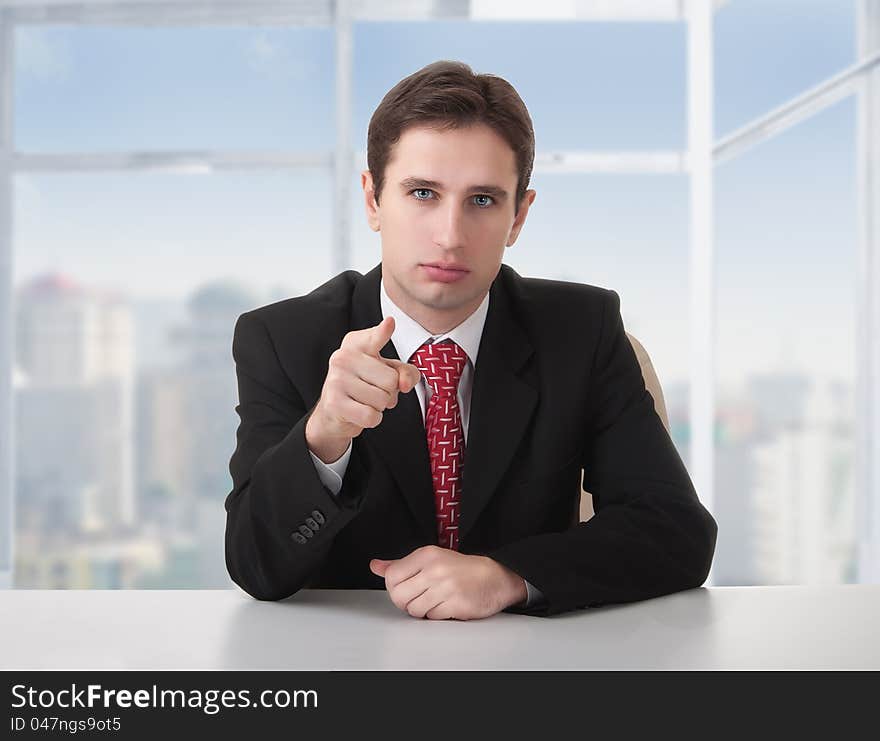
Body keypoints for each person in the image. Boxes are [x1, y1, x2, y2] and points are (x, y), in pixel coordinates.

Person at [224, 60, 717, 619]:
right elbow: (254, 565)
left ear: (518, 216)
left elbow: (677, 531)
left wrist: (507, 576)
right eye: (422, 193)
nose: (450, 236)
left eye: (482, 200)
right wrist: (323, 439)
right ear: (372, 199)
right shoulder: (282, 339)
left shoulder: (582, 329)